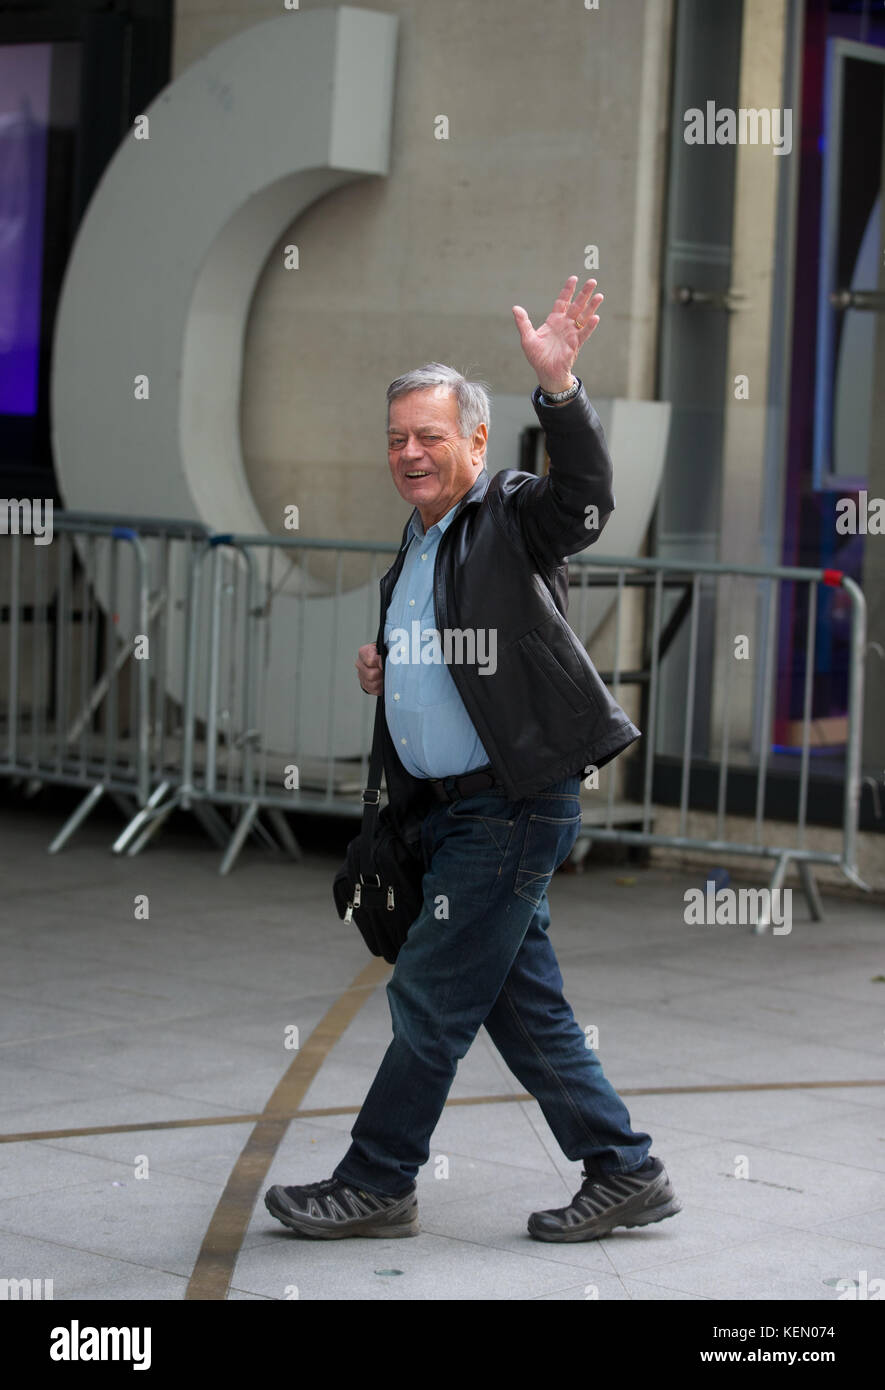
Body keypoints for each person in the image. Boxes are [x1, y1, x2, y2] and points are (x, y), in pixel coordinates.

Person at [265, 276, 681, 1242]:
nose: (410, 453)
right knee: (517, 1004)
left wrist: (560, 392)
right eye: (397, 438)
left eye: (430, 436)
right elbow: (451, 651)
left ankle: (376, 1181)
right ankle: (623, 1169)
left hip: (510, 805)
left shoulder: (507, 515)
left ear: (477, 443)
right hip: (447, 809)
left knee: (429, 990)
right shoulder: (415, 544)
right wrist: (388, 664)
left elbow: (586, 501)